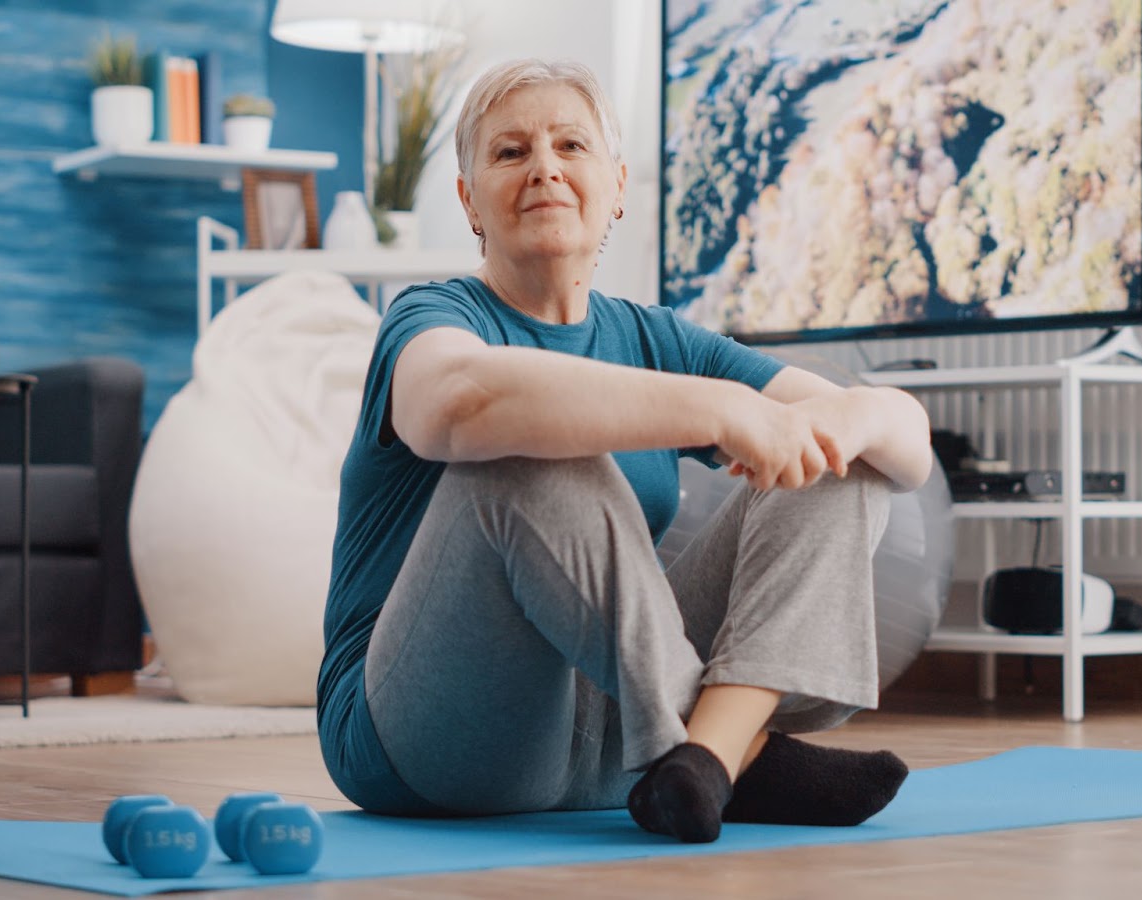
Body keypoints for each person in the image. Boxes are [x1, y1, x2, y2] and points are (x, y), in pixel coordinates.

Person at [316, 58, 935, 844]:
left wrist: (854, 420)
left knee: (832, 461)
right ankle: (743, 758)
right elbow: (459, 406)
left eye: (570, 146)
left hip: (609, 736)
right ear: (470, 201)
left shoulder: (655, 337)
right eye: (510, 153)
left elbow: (906, 450)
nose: (544, 167)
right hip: (423, 741)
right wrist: (722, 407)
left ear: (615, 184)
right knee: (526, 442)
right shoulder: (432, 316)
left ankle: (707, 761)